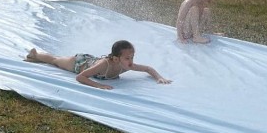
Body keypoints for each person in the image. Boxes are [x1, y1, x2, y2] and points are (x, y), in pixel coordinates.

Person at [25, 40, 171, 90]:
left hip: (91, 60)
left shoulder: (127, 65)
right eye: (127, 58)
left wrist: (159, 77)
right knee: (55, 61)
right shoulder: (104, 65)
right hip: (79, 63)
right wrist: (98, 86)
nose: (131, 61)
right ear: (115, 58)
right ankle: (35, 54)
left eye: (132, 57)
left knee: (56, 59)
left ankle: (37, 55)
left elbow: (147, 68)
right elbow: (81, 77)